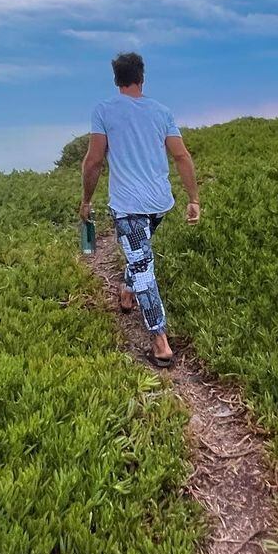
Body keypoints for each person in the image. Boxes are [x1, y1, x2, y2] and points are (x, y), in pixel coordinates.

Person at [80, 51, 200, 368]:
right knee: (140, 255)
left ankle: (160, 342)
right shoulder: (162, 112)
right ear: (141, 77)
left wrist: (86, 200)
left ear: (116, 80)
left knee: (143, 267)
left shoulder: (104, 110)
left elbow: (93, 161)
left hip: (129, 206)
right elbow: (182, 157)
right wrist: (193, 199)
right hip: (159, 203)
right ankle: (125, 290)